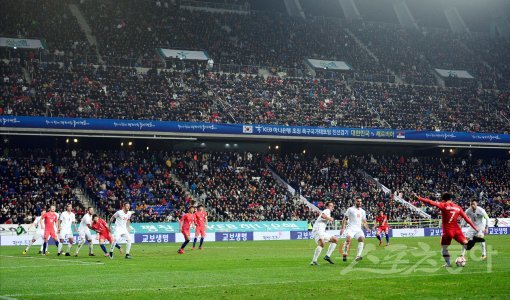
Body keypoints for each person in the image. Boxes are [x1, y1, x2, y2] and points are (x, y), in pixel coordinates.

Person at [413, 192, 478, 267]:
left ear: (443, 200)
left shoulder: (443, 205)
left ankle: (448, 263)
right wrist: (475, 228)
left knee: (444, 248)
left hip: (448, 231)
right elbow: (467, 219)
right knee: (465, 244)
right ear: (451, 199)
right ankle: (468, 243)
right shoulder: (458, 207)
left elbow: (430, 202)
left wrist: (419, 198)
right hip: (457, 230)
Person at [340, 197, 370, 262]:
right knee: (348, 240)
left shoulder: (363, 211)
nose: (359, 202)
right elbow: (345, 219)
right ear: (355, 202)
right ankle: (345, 253)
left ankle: (358, 256)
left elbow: (364, 221)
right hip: (350, 228)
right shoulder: (350, 209)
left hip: (358, 229)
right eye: (358, 201)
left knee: (361, 239)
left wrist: (367, 228)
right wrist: (342, 228)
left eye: (360, 201)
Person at [310, 201, 338, 266]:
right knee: (322, 243)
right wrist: (330, 218)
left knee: (335, 239)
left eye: (332, 206)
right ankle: (314, 261)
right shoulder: (327, 210)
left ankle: (327, 256)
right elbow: (323, 215)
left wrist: (329, 218)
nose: (332, 207)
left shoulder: (328, 212)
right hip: (318, 229)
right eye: (331, 205)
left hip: (322, 231)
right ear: (327, 206)